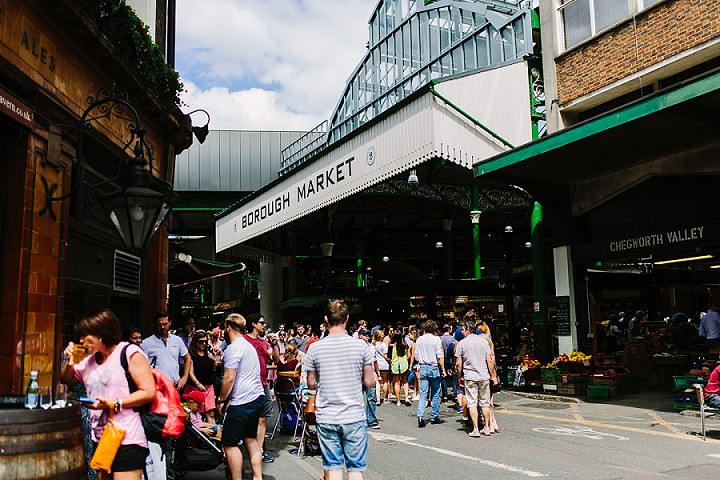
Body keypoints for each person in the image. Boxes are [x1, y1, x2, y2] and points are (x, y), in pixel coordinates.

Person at [60, 309, 155, 479]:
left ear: (101, 334)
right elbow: (66, 379)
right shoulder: (88, 359)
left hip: (128, 438)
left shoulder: (129, 353)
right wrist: (70, 360)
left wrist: (113, 404)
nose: (81, 340)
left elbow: (148, 392)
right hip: (102, 439)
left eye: (85, 336)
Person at [305, 300, 375, 480]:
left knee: (333, 468)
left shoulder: (314, 348)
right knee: (355, 469)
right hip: (354, 415)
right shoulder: (361, 346)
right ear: (347, 319)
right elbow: (369, 382)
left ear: (326, 319)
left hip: (327, 416)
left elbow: (311, 383)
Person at [217, 313, 266, 480]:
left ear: (228, 327)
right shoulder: (248, 346)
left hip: (243, 401)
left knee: (229, 444)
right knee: (250, 439)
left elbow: (229, 378)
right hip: (257, 397)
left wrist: (222, 399)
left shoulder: (233, 348)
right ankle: (258, 477)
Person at [244, 313, 280, 463]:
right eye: (261, 322)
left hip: (263, 384)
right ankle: (247, 449)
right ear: (253, 324)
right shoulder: (243, 341)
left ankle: (259, 451)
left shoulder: (264, 343)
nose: (264, 325)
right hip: (248, 385)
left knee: (263, 419)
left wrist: (274, 344)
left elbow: (276, 359)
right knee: (247, 419)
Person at [455, 320, 499, 437]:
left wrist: (460, 376)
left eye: (463, 330)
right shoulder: (483, 342)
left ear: (468, 330)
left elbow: (458, 364)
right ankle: (487, 427)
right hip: (483, 375)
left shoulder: (462, 344)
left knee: (472, 403)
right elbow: (489, 360)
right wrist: (493, 375)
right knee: (485, 403)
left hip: (470, 376)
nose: (462, 332)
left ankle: (475, 429)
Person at [141, 311, 193, 390]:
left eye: (165, 324)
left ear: (170, 323)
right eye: (159, 325)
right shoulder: (146, 343)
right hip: (156, 388)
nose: (162, 327)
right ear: (155, 324)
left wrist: (184, 377)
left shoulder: (177, 340)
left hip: (175, 386)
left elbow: (188, 358)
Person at [414, 320, 447, 428]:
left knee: (423, 393)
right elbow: (440, 356)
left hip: (423, 366)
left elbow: (416, 356)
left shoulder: (419, 340)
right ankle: (434, 416)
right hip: (433, 367)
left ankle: (420, 416)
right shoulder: (436, 339)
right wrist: (443, 369)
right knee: (436, 392)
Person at [185, 331, 218, 424]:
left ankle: (213, 434)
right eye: (201, 341)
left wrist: (213, 361)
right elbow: (190, 373)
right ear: (195, 342)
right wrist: (197, 383)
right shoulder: (191, 355)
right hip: (195, 387)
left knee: (210, 414)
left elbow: (213, 369)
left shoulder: (208, 354)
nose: (204, 344)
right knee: (193, 414)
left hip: (208, 386)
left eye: (205, 342)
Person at [358, 328, 381, 429]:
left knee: (371, 397)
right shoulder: (355, 348)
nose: (366, 337)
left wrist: (378, 374)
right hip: (358, 375)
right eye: (364, 335)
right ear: (359, 336)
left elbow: (375, 362)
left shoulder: (372, 347)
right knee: (357, 399)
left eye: (368, 335)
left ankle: (371, 420)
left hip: (369, 374)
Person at [390, 332, 411, 406]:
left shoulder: (391, 346)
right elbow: (409, 355)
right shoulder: (405, 345)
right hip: (404, 364)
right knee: (405, 382)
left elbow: (389, 357)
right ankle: (406, 398)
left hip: (395, 364)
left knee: (396, 382)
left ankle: (398, 401)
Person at [372, 330, 391, 404]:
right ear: (380, 336)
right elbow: (385, 356)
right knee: (385, 381)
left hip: (376, 364)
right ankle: (385, 398)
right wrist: (390, 360)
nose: (383, 336)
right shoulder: (383, 345)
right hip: (384, 364)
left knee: (377, 382)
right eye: (382, 335)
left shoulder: (373, 345)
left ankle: (378, 399)